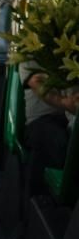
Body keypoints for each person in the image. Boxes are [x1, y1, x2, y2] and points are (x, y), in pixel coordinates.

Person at [19, 61, 78, 196]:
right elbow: (37, 82)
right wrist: (64, 102)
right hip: (42, 118)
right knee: (53, 139)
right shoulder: (30, 52)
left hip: (70, 115)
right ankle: (42, 199)